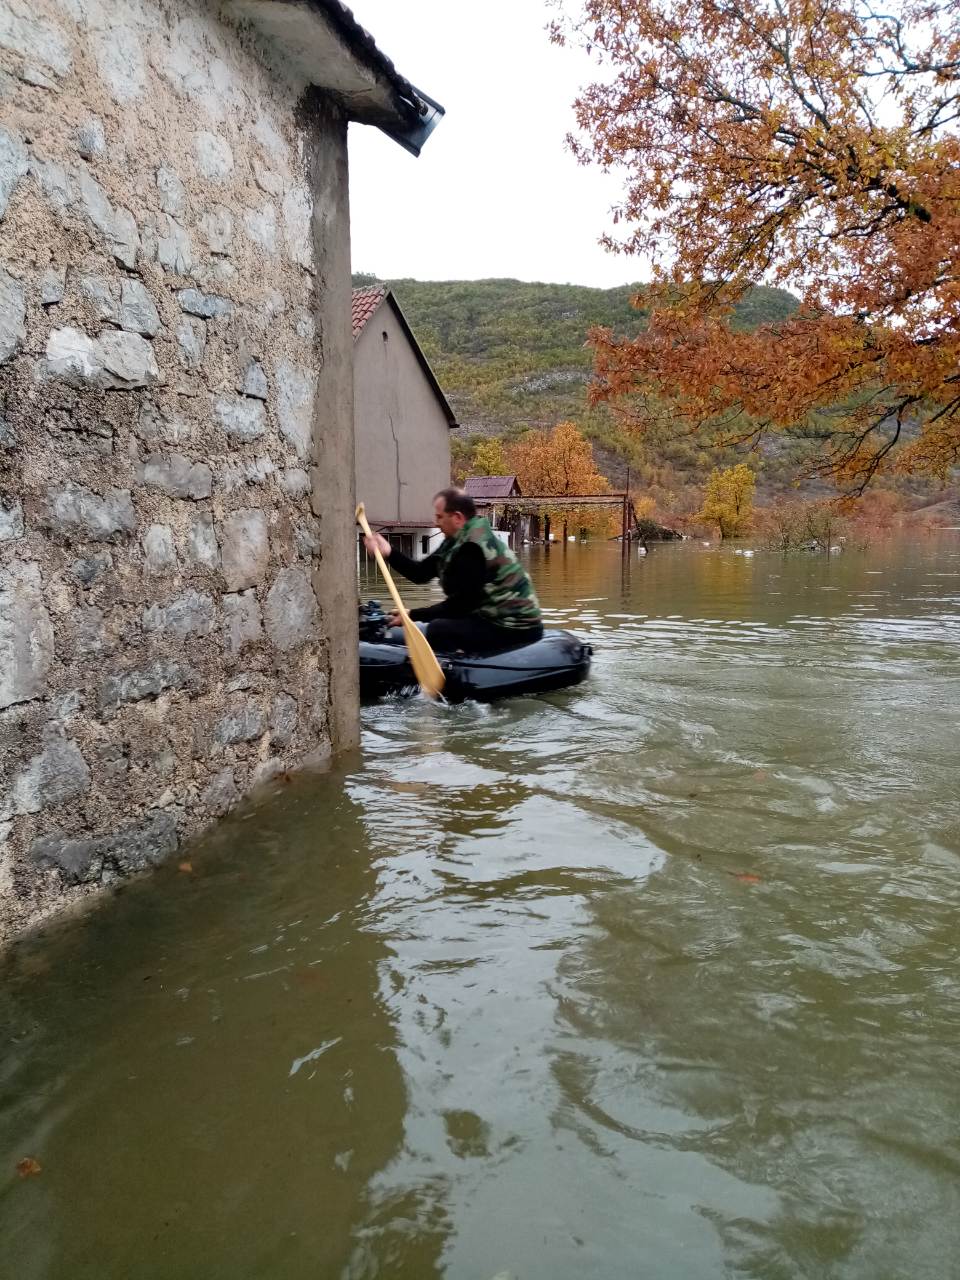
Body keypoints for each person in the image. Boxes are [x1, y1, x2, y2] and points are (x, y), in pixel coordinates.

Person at [363, 487, 543, 653]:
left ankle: (455, 675)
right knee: (441, 623)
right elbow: (420, 573)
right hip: (487, 614)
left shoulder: (473, 548)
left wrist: (412, 615)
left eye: (440, 517)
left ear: (457, 518)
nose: (436, 522)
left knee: (439, 629)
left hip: (515, 626)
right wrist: (388, 551)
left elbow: (460, 606)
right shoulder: (454, 540)